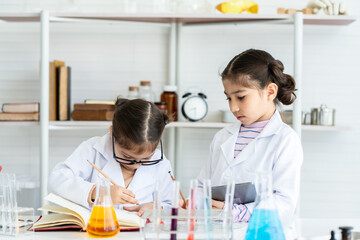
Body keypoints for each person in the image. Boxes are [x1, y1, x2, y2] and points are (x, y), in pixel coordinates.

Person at [197, 49, 303, 238]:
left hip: (263, 234)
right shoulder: (223, 137)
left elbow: (285, 202)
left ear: (270, 91)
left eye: (241, 97)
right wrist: (195, 201)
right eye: (228, 98)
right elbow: (201, 186)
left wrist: (238, 212)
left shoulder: (285, 140)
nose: (233, 107)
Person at [48, 98, 173, 216]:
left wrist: (157, 207)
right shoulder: (93, 149)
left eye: (146, 159)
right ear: (113, 133)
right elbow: (56, 180)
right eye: (127, 156)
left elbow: (170, 204)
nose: (136, 164)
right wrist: (98, 192)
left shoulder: (161, 163)